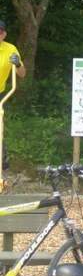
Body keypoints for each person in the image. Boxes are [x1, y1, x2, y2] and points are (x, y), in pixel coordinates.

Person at [0, 20, 26, 170]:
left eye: (0, 32)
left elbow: (22, 74)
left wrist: (17, 64)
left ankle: (2, 160)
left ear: (4, 34)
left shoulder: (10, 49)